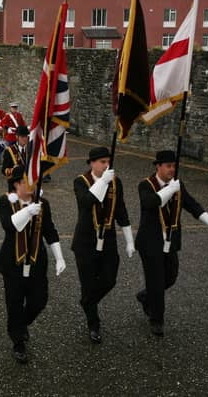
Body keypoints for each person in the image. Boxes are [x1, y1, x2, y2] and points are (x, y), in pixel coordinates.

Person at [135, 150, 208, 337]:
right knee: (157, 282)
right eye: (168, 166)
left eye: (174, 166)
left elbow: (193, 205)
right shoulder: (146, 185)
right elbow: (151, 203)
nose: (172, 169)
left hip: (170, 242)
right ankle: (157, 320)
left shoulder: (178, 185)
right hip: (150, 244)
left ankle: (146, 296)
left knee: (171, 277)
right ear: (158, 166)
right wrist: (169, 190)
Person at [0, 165, 66, 364]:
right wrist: (27, 212)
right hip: (12, 263)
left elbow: (50, 231)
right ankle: (18, 341)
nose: (33, 184)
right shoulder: (5, 202)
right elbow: (9, 226)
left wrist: (59, 257)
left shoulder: (43, 203)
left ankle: (20, 324)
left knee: (39, 301)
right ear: (17, 184)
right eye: (28, 180)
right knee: (14, 303)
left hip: (36, 262)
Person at [72, 146, 134, 343]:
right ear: (92, 163)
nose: (106, 165)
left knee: (109, 279)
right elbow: (86, 201)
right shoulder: (80, 182)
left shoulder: (116, 183)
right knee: (88, 283)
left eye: (108, 162)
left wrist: (129, 240)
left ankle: (87, 302)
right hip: (85, 242)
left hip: (108, 240)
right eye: (102, 162)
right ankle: (93, 324)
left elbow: (121, 211)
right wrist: (103, 183)